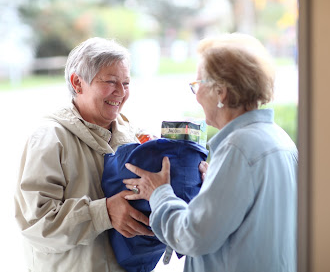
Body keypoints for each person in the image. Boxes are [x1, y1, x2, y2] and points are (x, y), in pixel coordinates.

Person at [123, 33, 298, 272]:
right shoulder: (279, 139)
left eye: (197, 85)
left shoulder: (238, 148)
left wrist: (159, 194)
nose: (196, 96)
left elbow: (193, 237)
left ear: (221, 92)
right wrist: (212, 189)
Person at [14, 37, 154, 272]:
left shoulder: (135, 136)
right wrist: (104, 212)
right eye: (111, 81)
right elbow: (37, 224)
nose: (121, 92)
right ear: (77, 82)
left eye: (126, 83)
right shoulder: (50, 138)